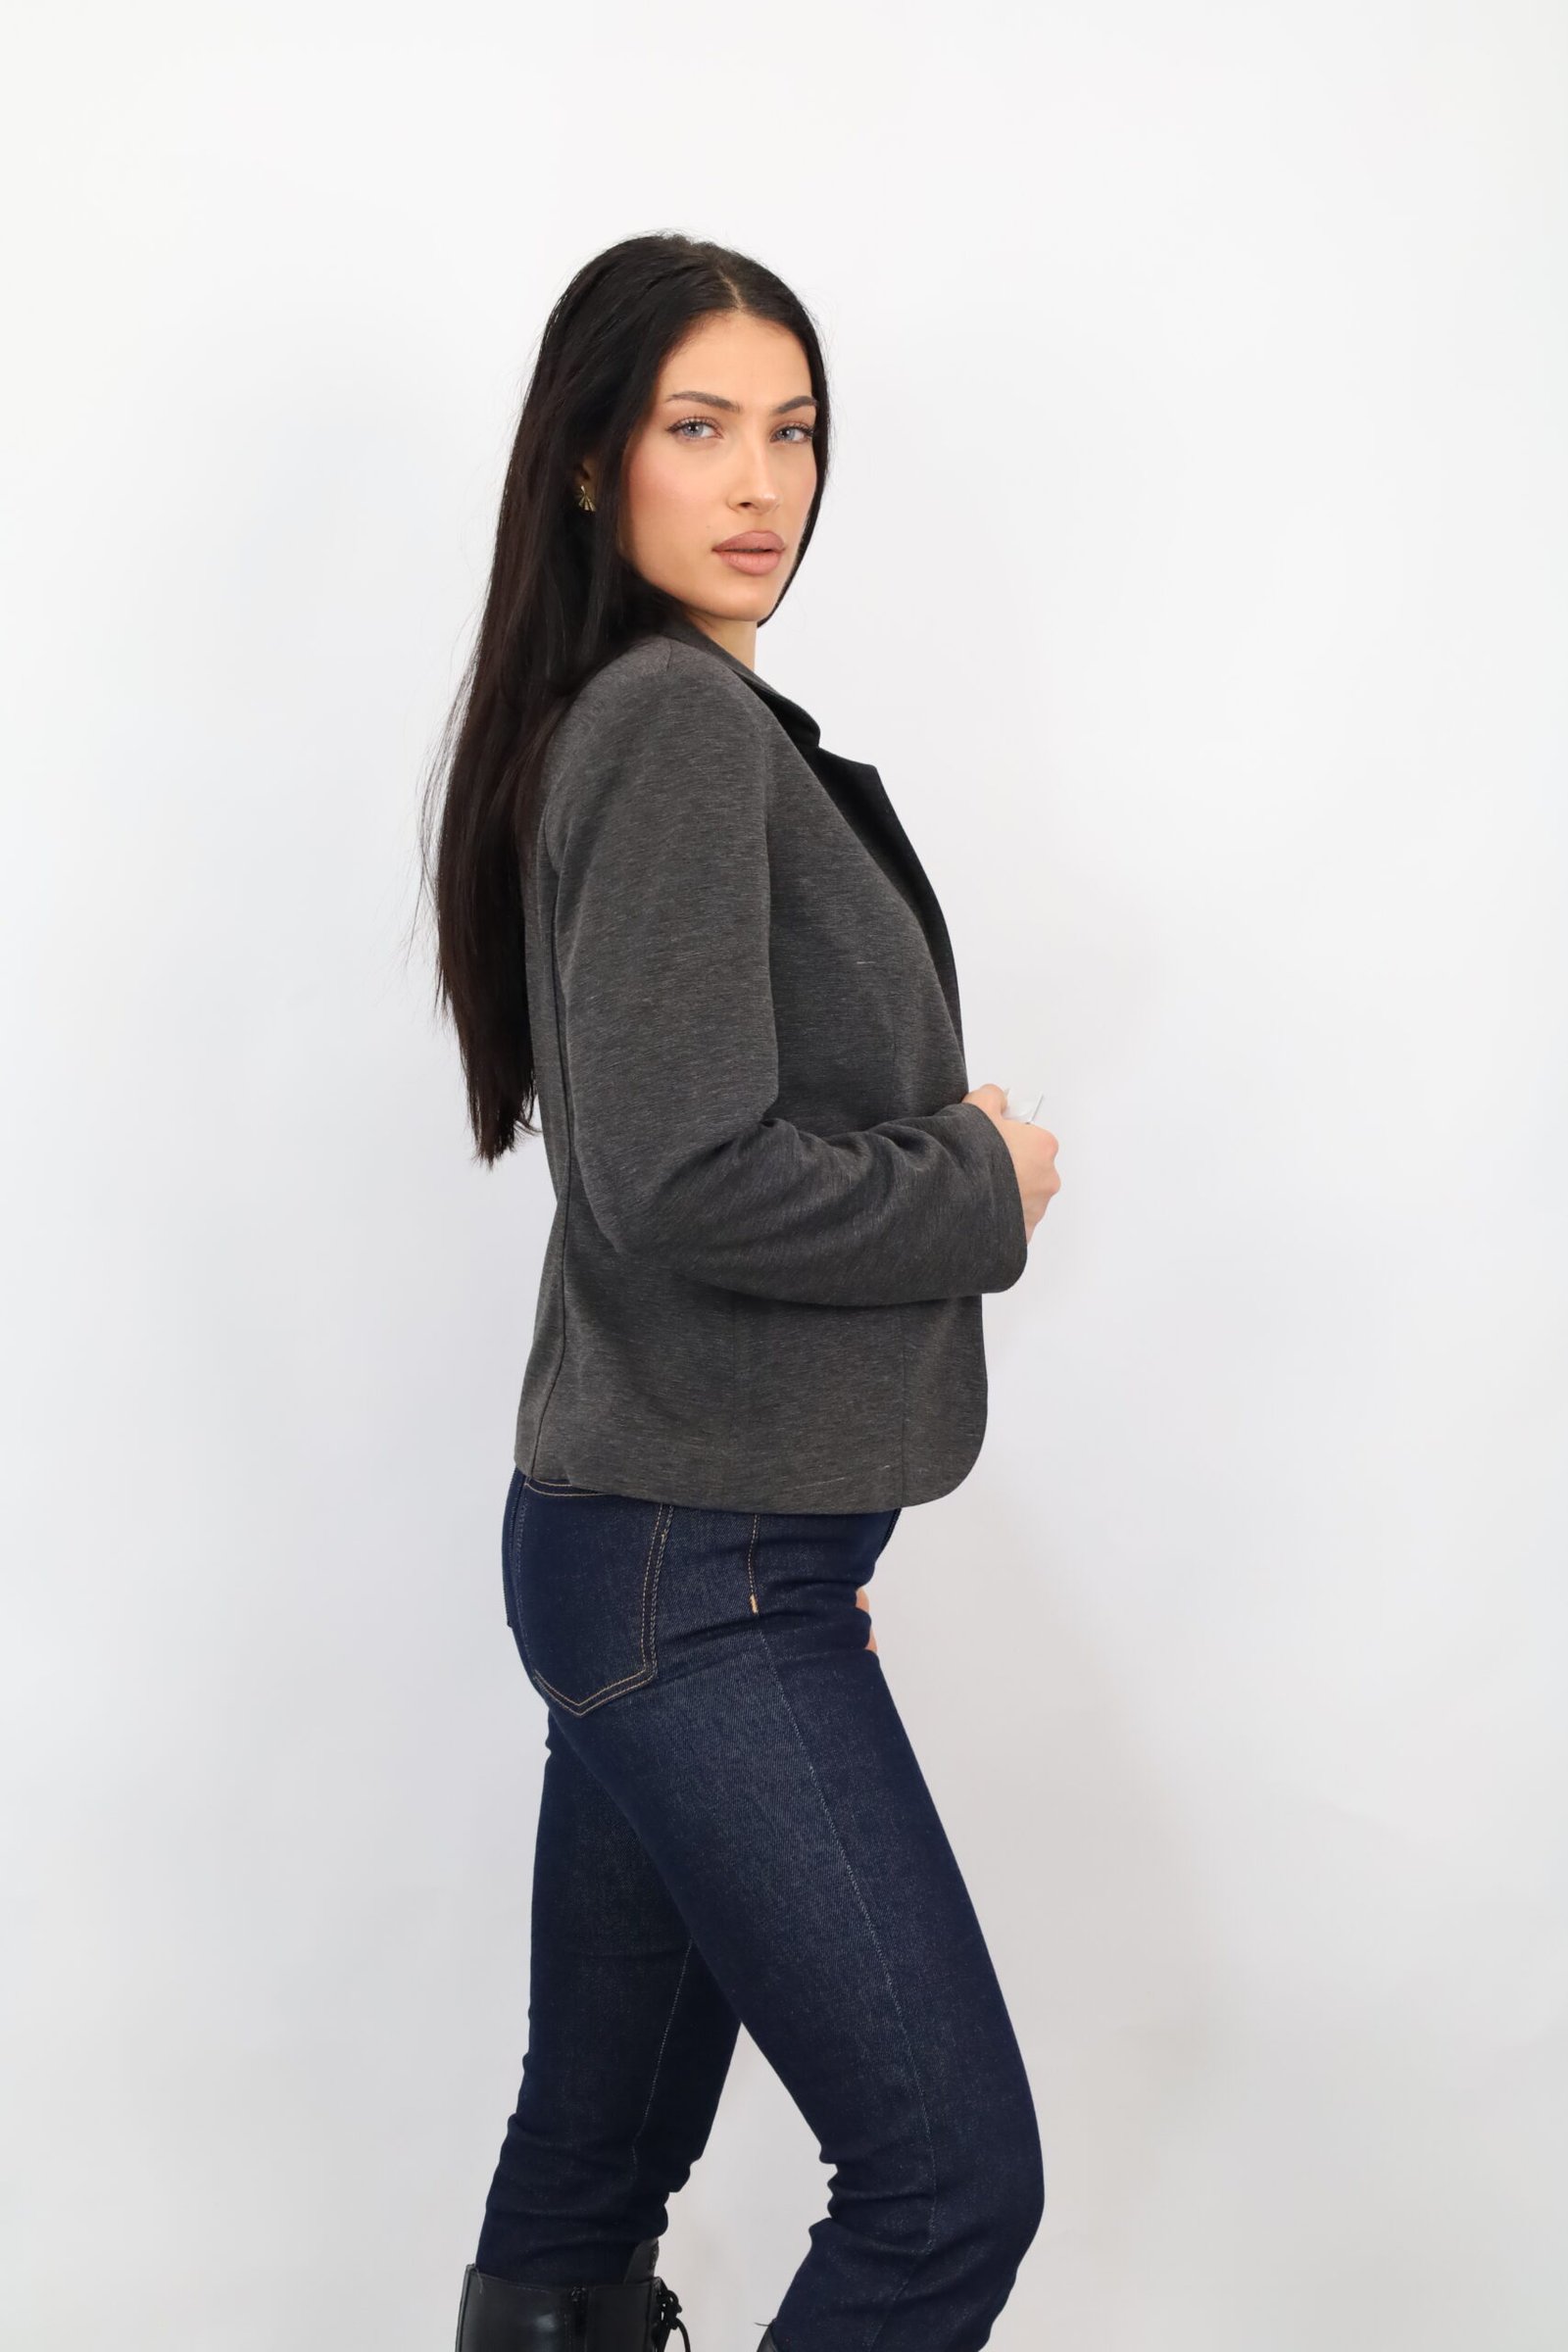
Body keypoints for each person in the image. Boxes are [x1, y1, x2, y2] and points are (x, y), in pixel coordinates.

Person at [418, 231, 1061, 2352]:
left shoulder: (654, 719)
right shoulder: (674, 729)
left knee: (585, 2180)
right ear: (590, 458)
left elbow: (656, 1157)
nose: (759, 480)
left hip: (678, 1542)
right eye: (698, 428)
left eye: (790, 432)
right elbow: (680, 1179)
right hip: (694, 1572)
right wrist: (975, 1182)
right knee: (947, 2187)